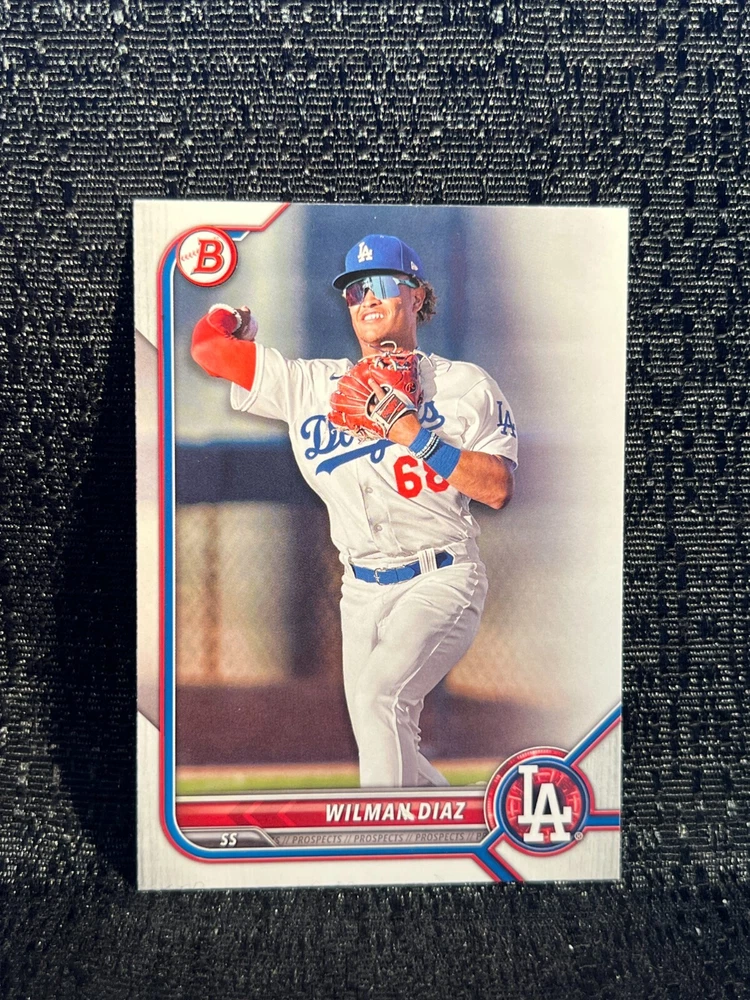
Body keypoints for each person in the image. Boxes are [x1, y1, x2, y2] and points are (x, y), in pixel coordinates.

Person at [190, 234, 518, 788]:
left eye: (382, 284)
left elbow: (498, 488)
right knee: (385, 732)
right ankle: (454, 824)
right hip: (360, 592)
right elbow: (208, 349)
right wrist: (232, 318)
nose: (367, 298)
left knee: (379, 701)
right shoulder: (312, 385)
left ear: (416, 295)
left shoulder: (464, 386)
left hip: (441, 576)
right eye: (354, 290)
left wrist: (413, 435)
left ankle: (382, 838)